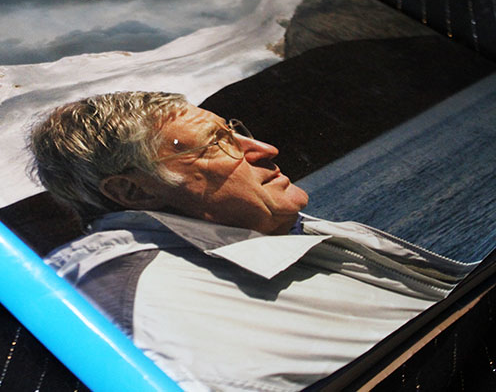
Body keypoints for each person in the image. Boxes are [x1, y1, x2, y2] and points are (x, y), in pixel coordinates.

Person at [29, 91, 476, 392]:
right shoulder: (148, 313)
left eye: (234, 130)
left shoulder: (260, 232)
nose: (263, 148)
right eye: (216, 143)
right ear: (134, 191)